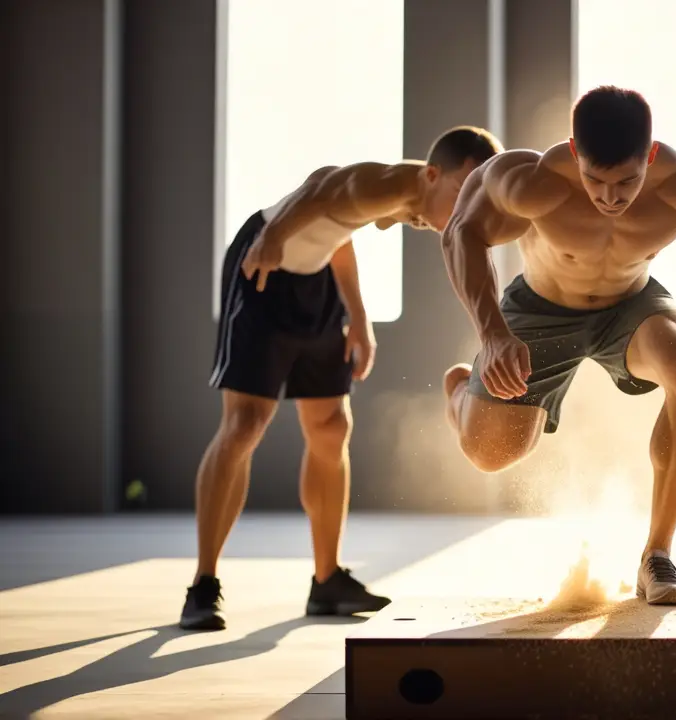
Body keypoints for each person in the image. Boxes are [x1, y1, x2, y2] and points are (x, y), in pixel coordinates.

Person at [439, 87, 676, 606]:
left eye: (627, 181)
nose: (611, 197)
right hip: (542, 310)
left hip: (631, 304)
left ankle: (657, 556)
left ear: (651, 156)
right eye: (595, 179)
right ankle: (464, 391)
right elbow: (461, 232)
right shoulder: (531, 182)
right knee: (493, 454)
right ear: (575, 153)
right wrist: (492, 335)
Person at [181, 126, 505, 631]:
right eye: (464, 188)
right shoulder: (380, 183)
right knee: (245, 426)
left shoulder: (417, 202)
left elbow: (337, 229)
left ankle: (327, 580)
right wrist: (271, 237)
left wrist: (359, 315)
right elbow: (321, 186)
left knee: (331, 428)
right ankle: (203, 585)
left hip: (318, 284)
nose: (470, 202)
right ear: (432, 174)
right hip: (264, 270)